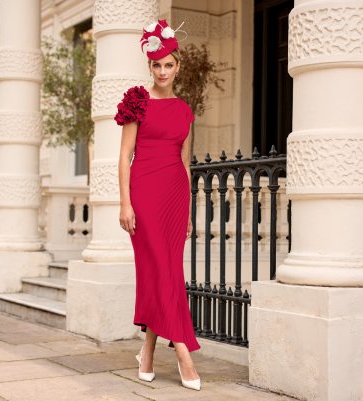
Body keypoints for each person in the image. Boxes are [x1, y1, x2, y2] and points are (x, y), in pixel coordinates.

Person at [115, 19, 201, 391]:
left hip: (175, 194)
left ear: (177, 66)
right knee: (161, 270)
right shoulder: (138, 101)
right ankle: (183, 351)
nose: (163, 71)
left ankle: (148, 348)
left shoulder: (184, 110)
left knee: (163, 270)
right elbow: (124, 156)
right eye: (156, 65)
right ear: (149, 66)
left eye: (169, 64)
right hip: (145, 193)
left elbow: (185, 161)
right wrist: (125, 203)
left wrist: (190, 209)